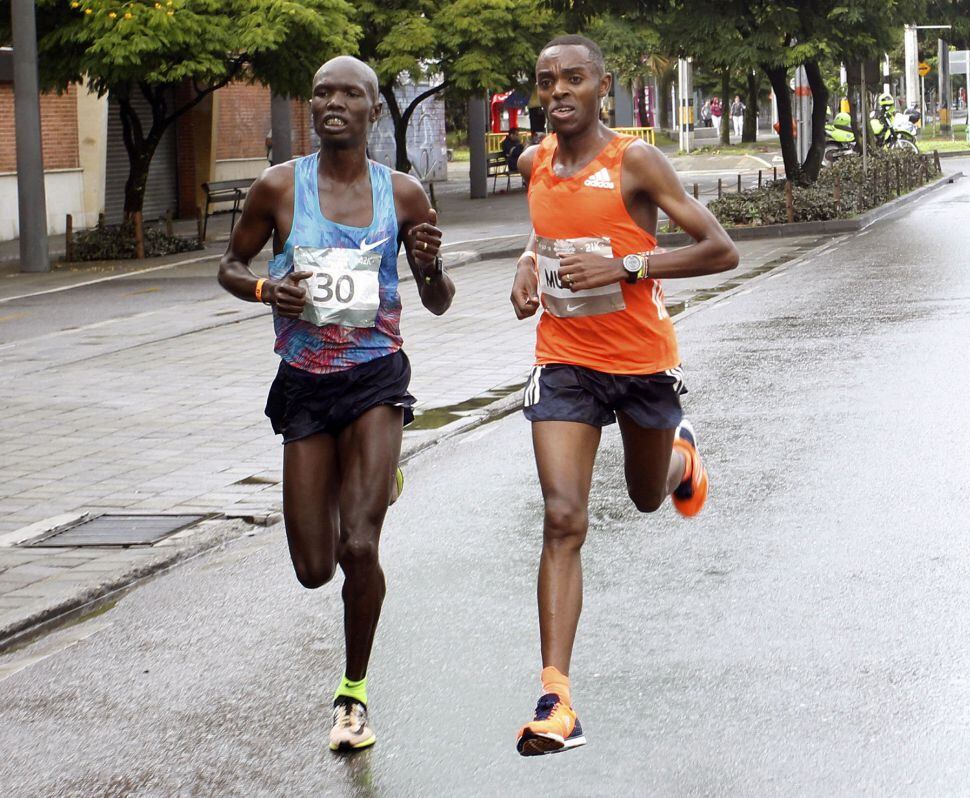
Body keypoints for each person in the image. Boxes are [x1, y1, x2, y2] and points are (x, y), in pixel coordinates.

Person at [509, 34, 739, 757]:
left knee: (644, 497)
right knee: (562, 517)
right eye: (547, 82)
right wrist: (525, 264)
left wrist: (627, 264)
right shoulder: (533, 161)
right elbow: (548, 231)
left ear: (603, 86)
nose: (559, 93)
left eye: (574, 79)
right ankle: (557, 700)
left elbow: (720, 247)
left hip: (641, 362)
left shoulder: (634, 161)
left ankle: (683, 460)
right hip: (565, 359)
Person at [217, 55, 454, 753]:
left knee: (359, 545)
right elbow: (229, 266)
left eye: (350, 93)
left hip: (377, 378)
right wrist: (266, 291)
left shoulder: (405, 195)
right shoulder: (278, 188)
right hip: (304, 387)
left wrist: (432, 264)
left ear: (374, 110)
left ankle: (353, 696)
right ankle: (376, 479)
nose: (333, 102)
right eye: (322, 92)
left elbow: (437, 302)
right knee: (314, 567)